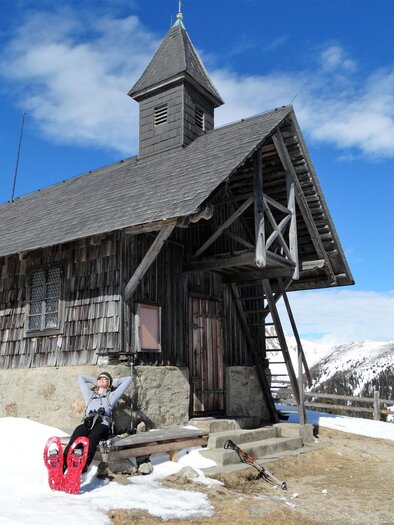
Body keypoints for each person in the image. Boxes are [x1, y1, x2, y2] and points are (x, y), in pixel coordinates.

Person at [63, 371, 132, 472]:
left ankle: (83, 465)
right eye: (100, 378)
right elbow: (81, 377)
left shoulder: (111, 396)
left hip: (102, 424)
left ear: (109, 383)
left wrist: (113, 382)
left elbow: (128, 379)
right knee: (76, 436)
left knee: (92, 438)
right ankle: (63, 463)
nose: (102, 379)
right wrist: (96, 382)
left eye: (105, 378)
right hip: (87, 422)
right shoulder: (90, 395)